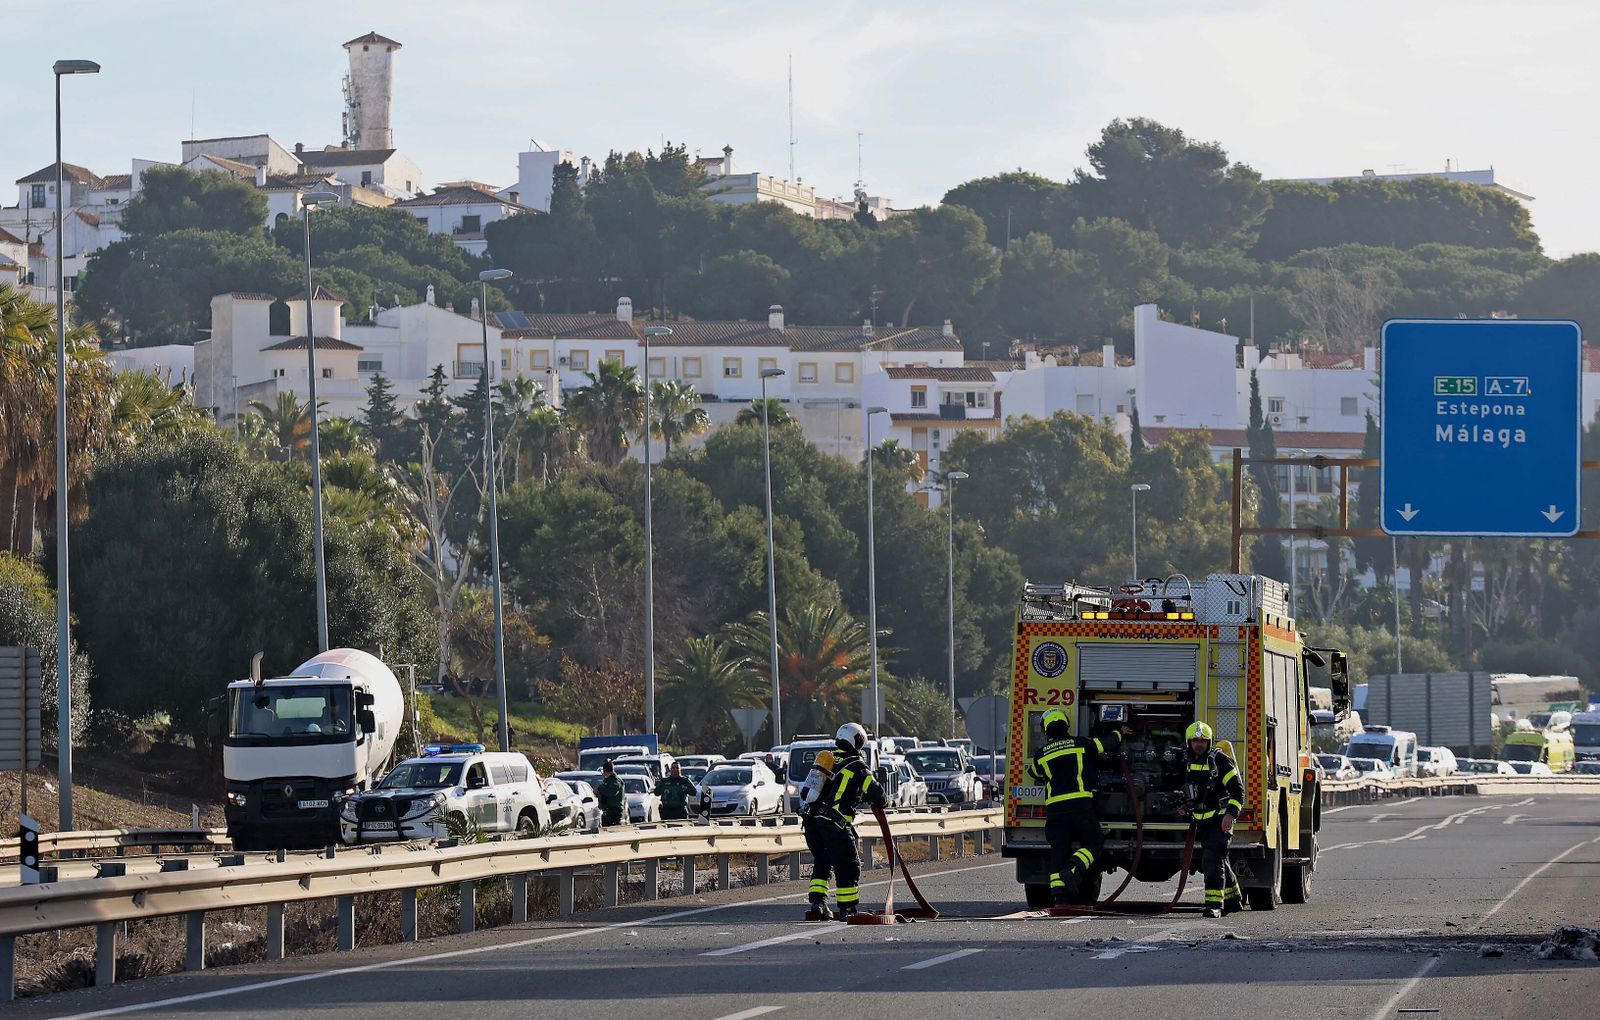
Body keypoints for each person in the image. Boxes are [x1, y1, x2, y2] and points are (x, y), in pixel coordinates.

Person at [1027, 707, 1124, 907]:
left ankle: (1059, 896)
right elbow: (1105, 745)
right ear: (1065, 725)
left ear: (1046, 730)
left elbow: (1034, 773)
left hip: (1055, 810)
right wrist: (1120, 732)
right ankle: (1073, 870)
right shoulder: (1081, 744)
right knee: (1094, 843)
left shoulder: (1042, 755)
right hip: (1080, 806)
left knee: (1059, 850)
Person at [801, 723, 886, 919]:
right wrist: (880, 800)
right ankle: (848, 908)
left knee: (823, 860)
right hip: (834, 825)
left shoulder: (827, 760)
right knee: (848, 864)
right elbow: (876, 793)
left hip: (811, 822)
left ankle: (818, 903)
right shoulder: (857, 766)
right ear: (857, 742)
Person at [1182, 721, 1245, 918]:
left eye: (1203, 740)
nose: (1199, 744)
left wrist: (1230, 815)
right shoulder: (1187, 761)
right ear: (1189, 742)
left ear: (1209, 742)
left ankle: (1214, 905)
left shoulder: (1220, 761)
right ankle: (1234, 900)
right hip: (1202, 822)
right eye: (1195, 741)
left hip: (1220, 821)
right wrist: (1184, 805)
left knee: (1211, 860)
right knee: (1220, 860)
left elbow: (1238, 790)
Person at [596, 760, 625, 828]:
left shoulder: (616, 780)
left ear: (605, 770)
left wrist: (600, 789)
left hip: (614, 810)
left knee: (614, 829)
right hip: (607, 809)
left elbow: (611, 792)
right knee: (605, 829)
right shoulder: (607, 780)